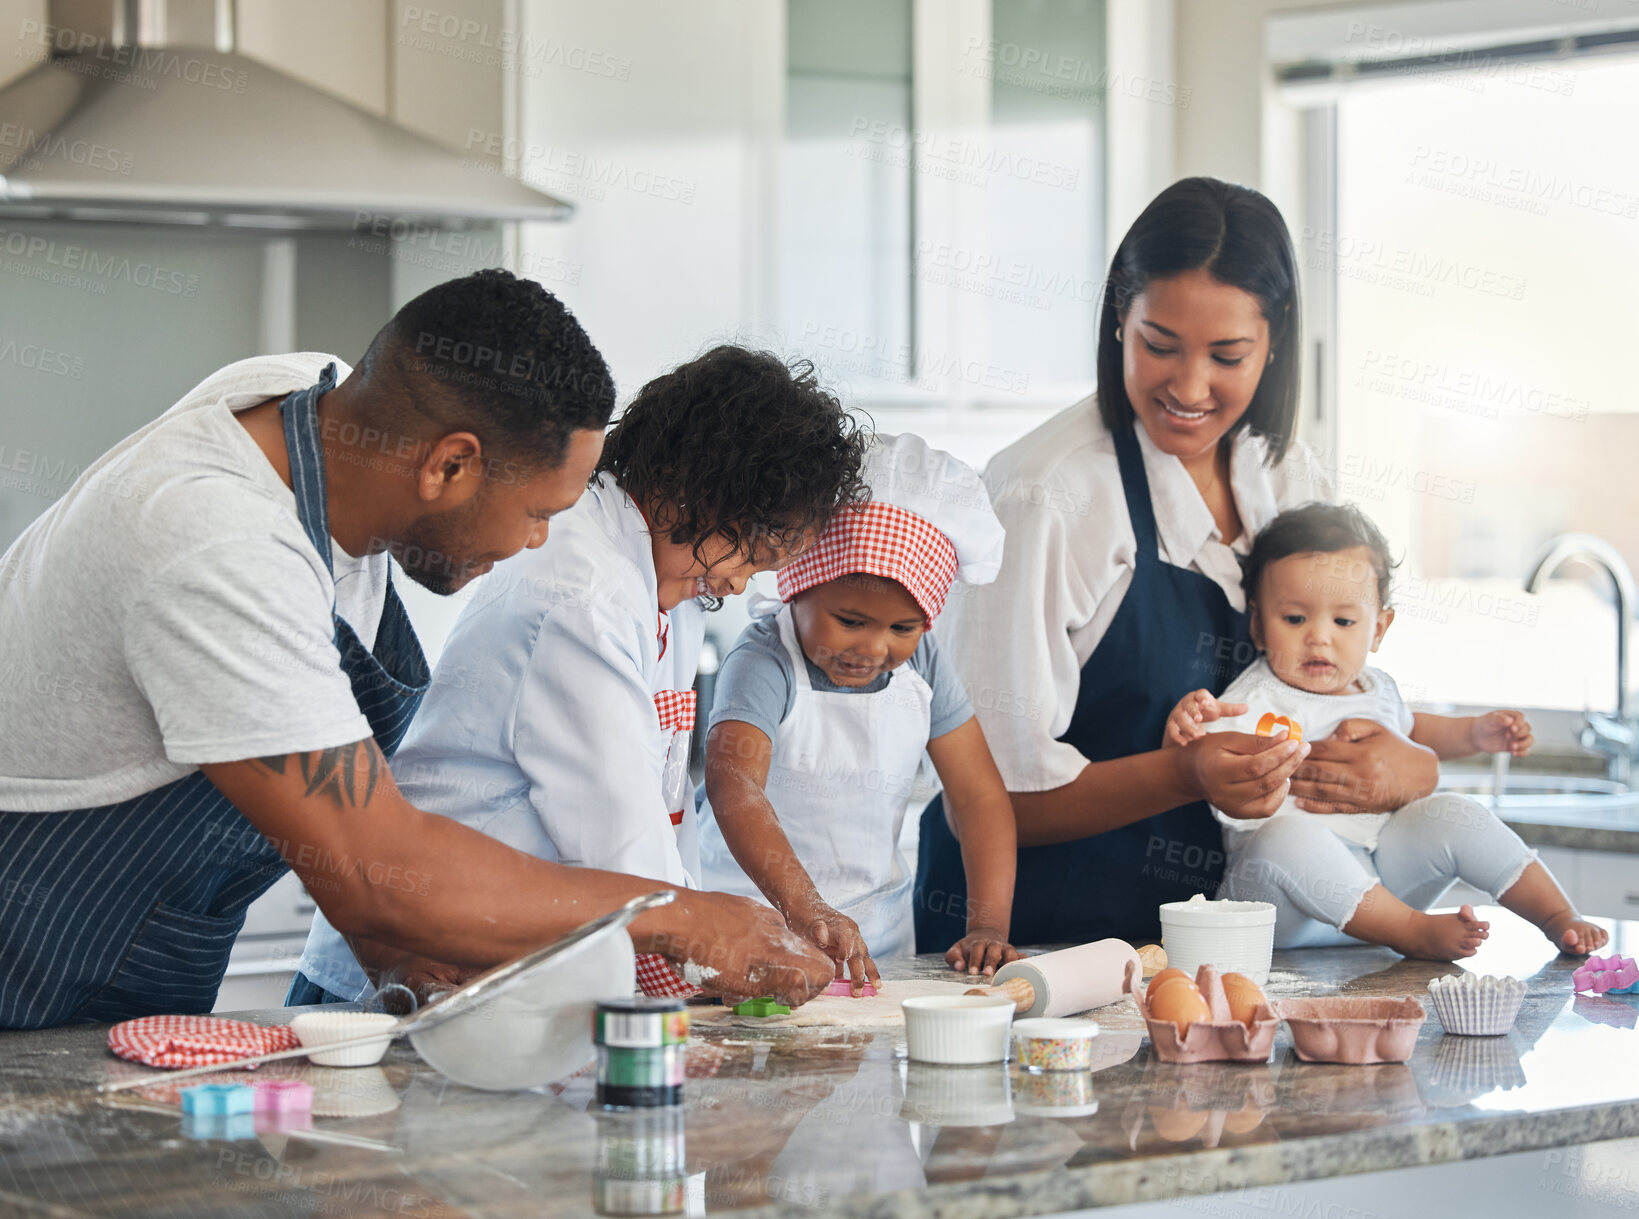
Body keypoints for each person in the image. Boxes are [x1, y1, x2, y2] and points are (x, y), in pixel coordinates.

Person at [0, 271, 831, 1029]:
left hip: (123, 981)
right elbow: (373, 867)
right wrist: (678, 911)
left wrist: (406, 966)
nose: (539, 543)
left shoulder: (319, 418)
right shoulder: (219, 545)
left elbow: (351, 860)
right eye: (539, 512)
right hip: (29, 976)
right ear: (449, 464)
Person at [916, 176, 1441, 951]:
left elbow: (1331, 684)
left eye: (1227, 355)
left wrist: (1410, 766)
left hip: (1212, 946)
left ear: (1276, 339)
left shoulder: (1287, 473)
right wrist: (1185, 772)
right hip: (1038, 946)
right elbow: (983, 797)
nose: (1188, 388)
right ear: (1116, 321)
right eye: (1158, 345)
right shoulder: (1045, 493)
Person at [291, 346, 870, 1004]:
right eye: (747, 553)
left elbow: (661, 823)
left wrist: (719, 939)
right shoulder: (584, 591)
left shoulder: (660, 576)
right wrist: (715, 952)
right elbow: (620, 840)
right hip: (420, 967)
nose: (737, 583)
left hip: (511, 972)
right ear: (695, 487)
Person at [1164, 502, 1608, 959]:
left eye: (1343, 621)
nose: (1320, 637)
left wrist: (1475, 734)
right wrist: (1187, 729)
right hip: (1282, 910)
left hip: (1381, 890)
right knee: (1286, 838)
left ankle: (1557, 916)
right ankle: (1413, 933)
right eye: (1295, 619)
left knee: (1454, 812)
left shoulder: (1378, 690)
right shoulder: (1250, 700)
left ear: (1379, 628)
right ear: (1258, 625)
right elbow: (1197, 763)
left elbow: (1416, 727)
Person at [697, 433, 1021, 989]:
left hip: (880, 944)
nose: (873, 648)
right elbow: (735, 788)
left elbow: (979, 796)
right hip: (755, 930)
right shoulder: (764, 661)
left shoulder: (924, 664)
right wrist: (807, 909)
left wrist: (987, 924)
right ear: (799, 586)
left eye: (902, 627)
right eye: (850, 621)